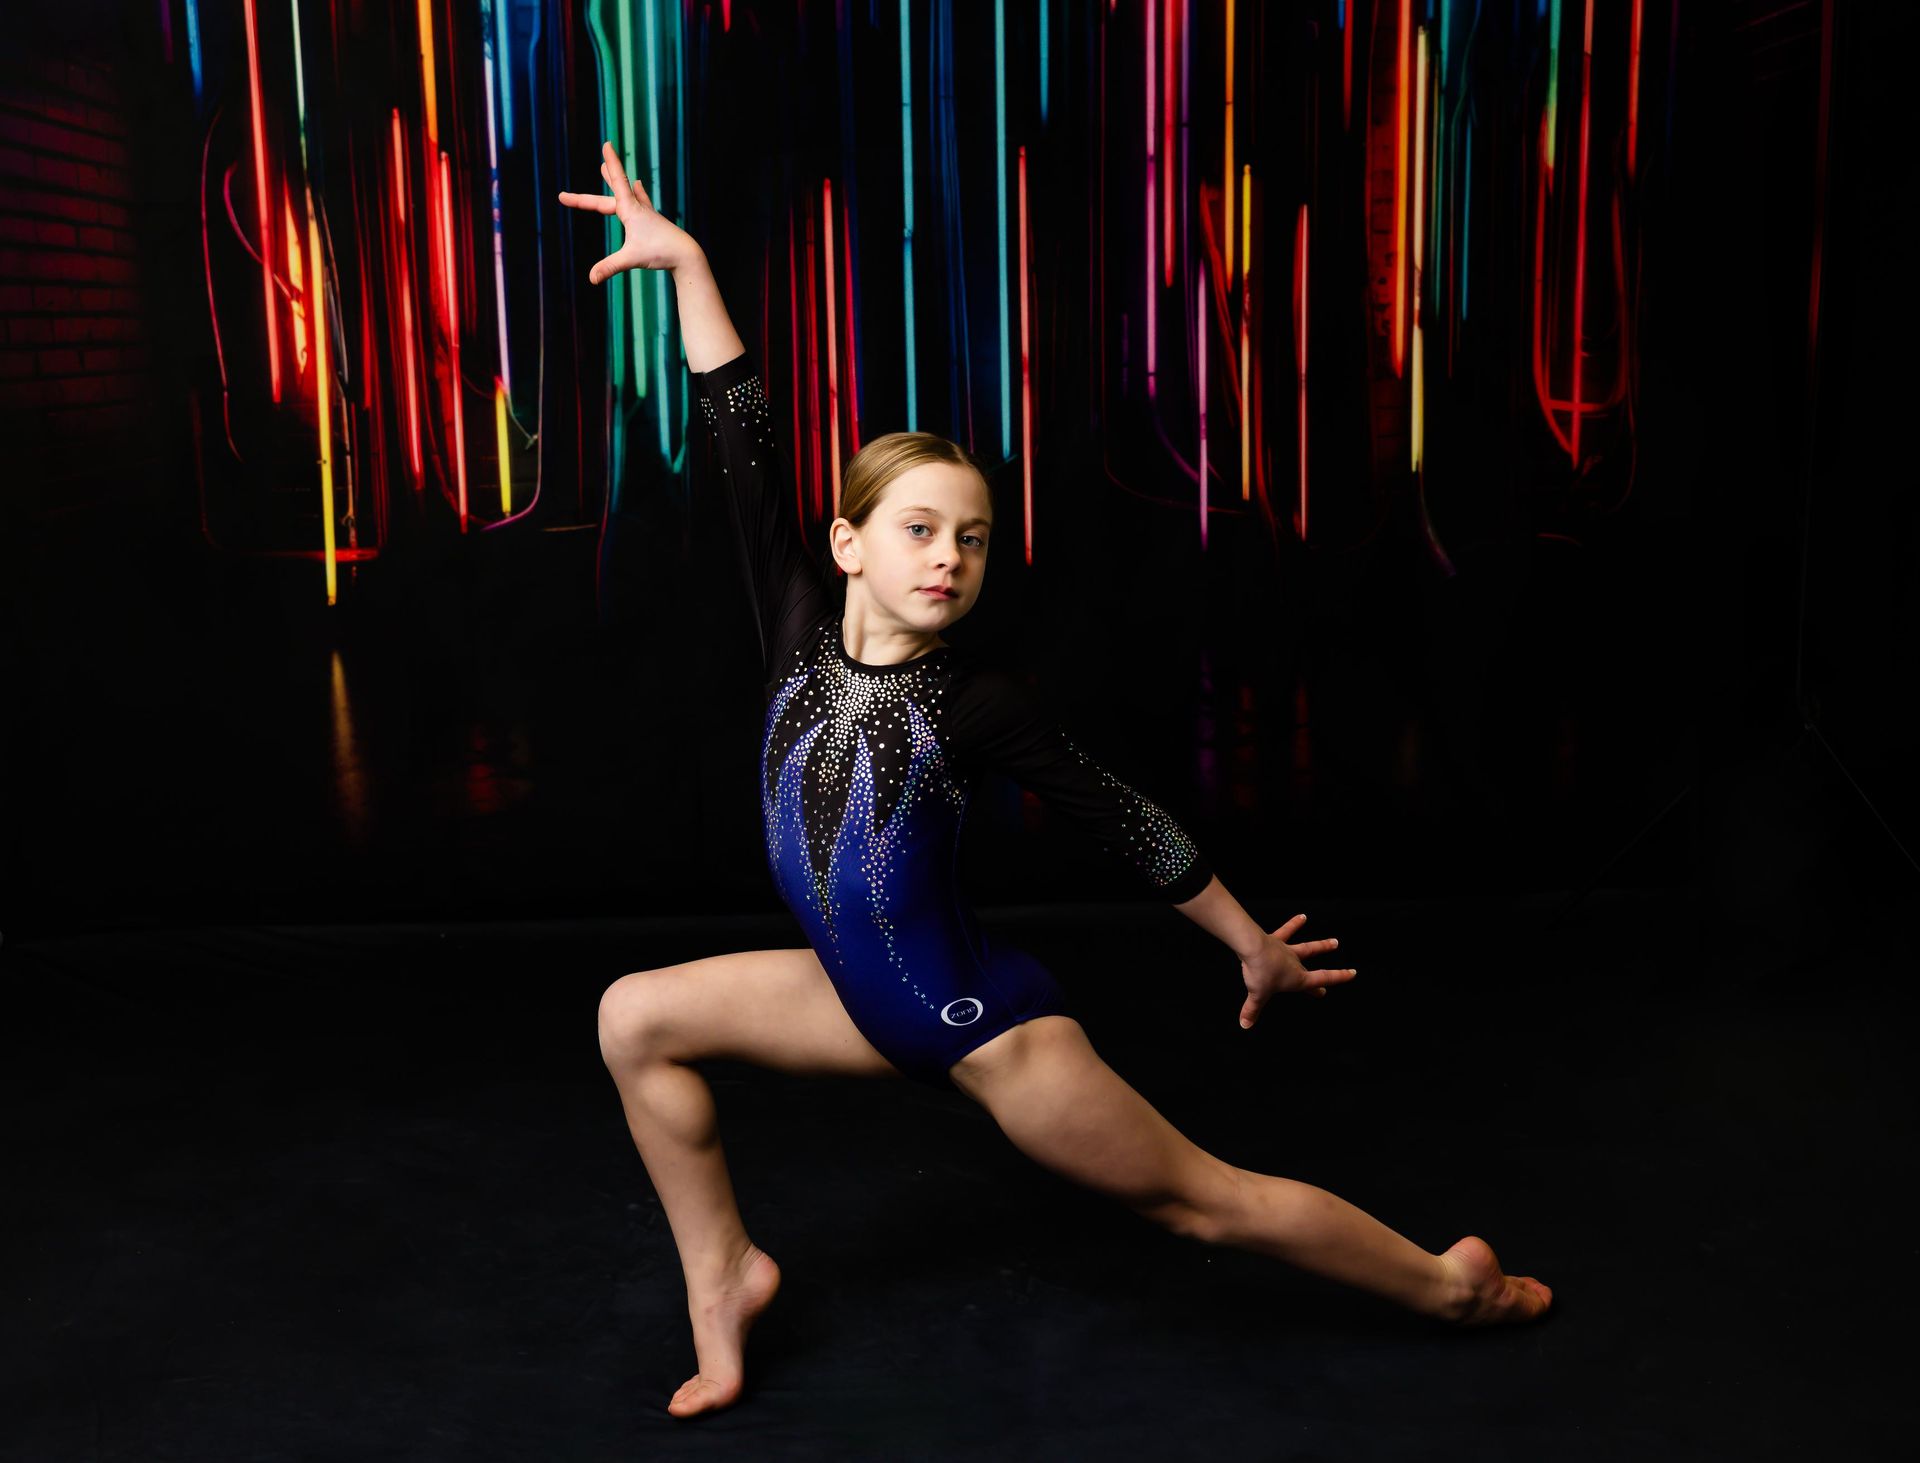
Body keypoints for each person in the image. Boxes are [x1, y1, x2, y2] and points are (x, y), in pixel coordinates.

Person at [561, 142, 1551, 1421]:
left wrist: (1251, 943)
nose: (949, 557)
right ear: (848, 543)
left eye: (971, 538)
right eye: (919, 529)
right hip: (853, 995)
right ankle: (725, 1277)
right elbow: (738, 417)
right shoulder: (795, 616)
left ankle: (1445, 1287)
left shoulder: (979, 702)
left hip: (981, 1026)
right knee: (633, 1015)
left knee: (1206, 1201)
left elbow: (1123, 820)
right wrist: (687, 263)